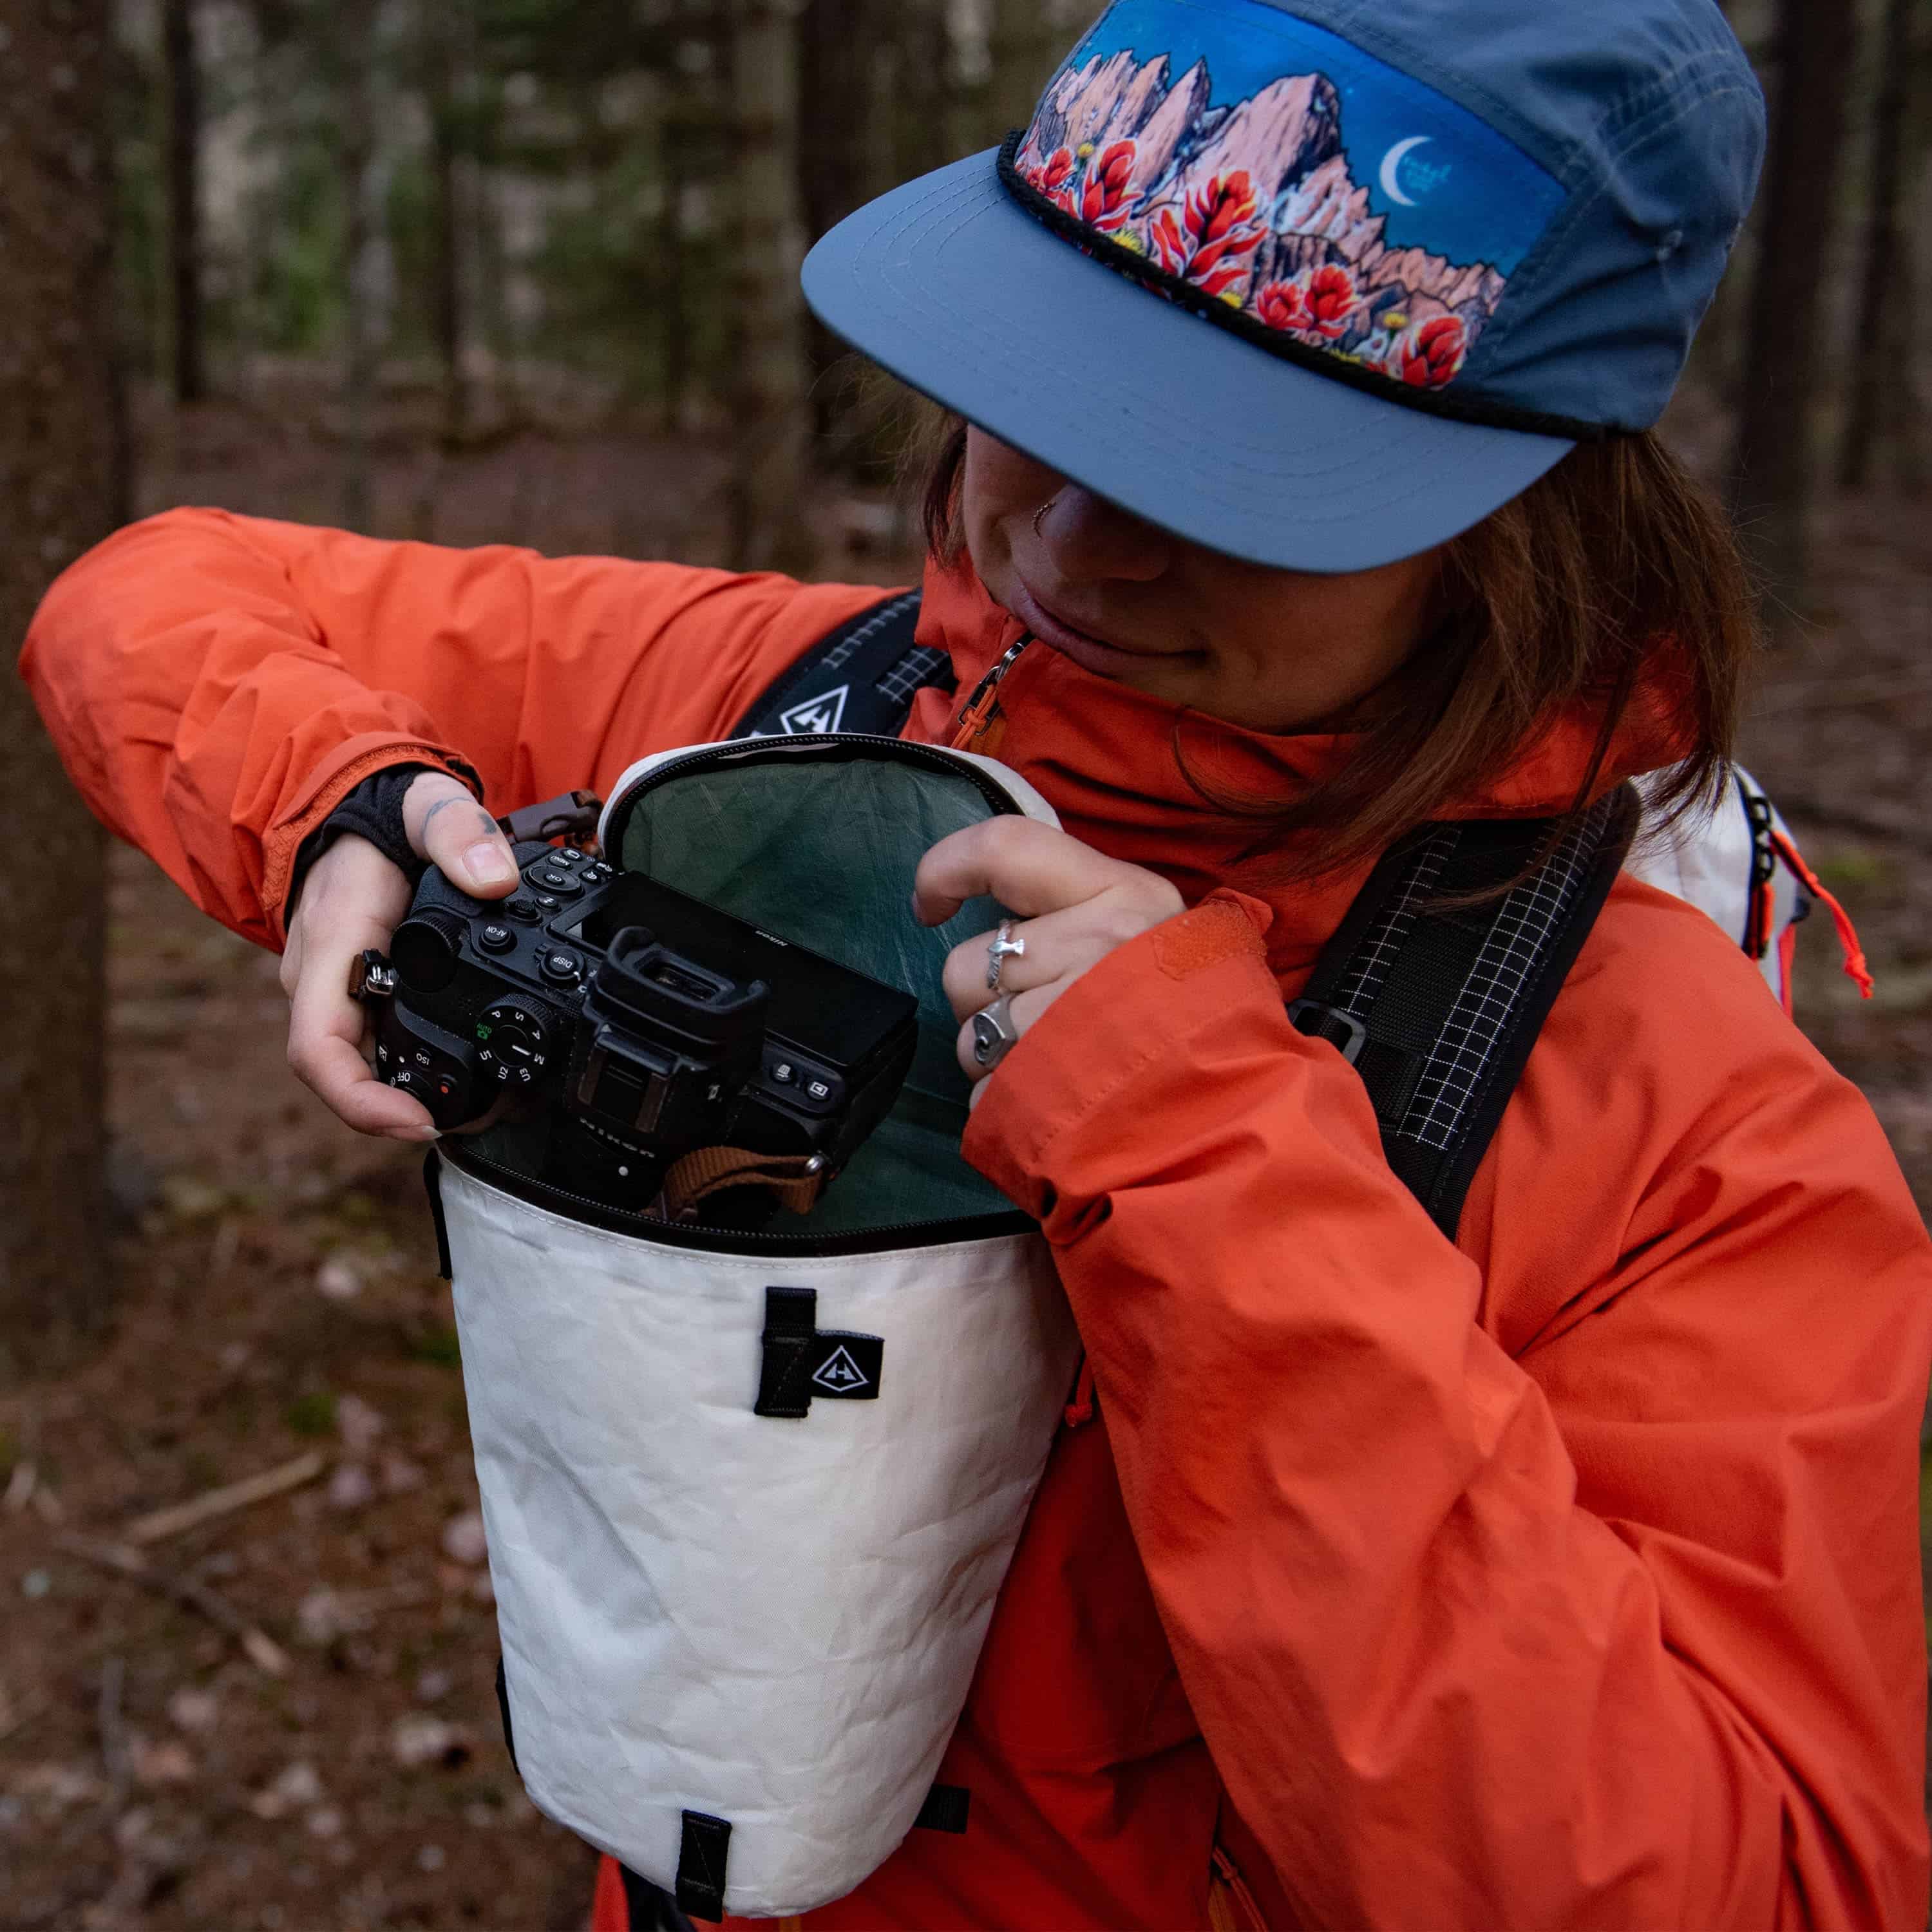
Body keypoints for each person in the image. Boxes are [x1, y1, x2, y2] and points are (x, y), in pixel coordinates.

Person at [20, 0, 1932, 1924]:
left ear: (1526, 521)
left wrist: (1212, 1155)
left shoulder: (1677, 1120)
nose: (1078, 547)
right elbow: (164, 593)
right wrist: (336, 800)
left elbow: (1738, 1883)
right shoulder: (771, 721)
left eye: (1230, 479)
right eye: (1051, 394)